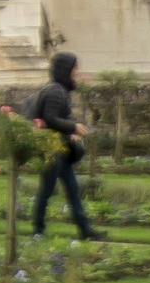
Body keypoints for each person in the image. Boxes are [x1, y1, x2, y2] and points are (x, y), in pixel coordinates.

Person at [28, 50, 104, 244]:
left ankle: (85, 230)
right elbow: (49, 118)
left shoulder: (58, 90)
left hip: (60, 150)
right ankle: (38, 230)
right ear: (66, 69)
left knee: (72, 190)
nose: (77, 72)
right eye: (74, 68)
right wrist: (74, 127)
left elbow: (54, 118)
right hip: (53, 150)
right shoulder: (55, 91)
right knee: (47, 190)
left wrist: (70, 133)